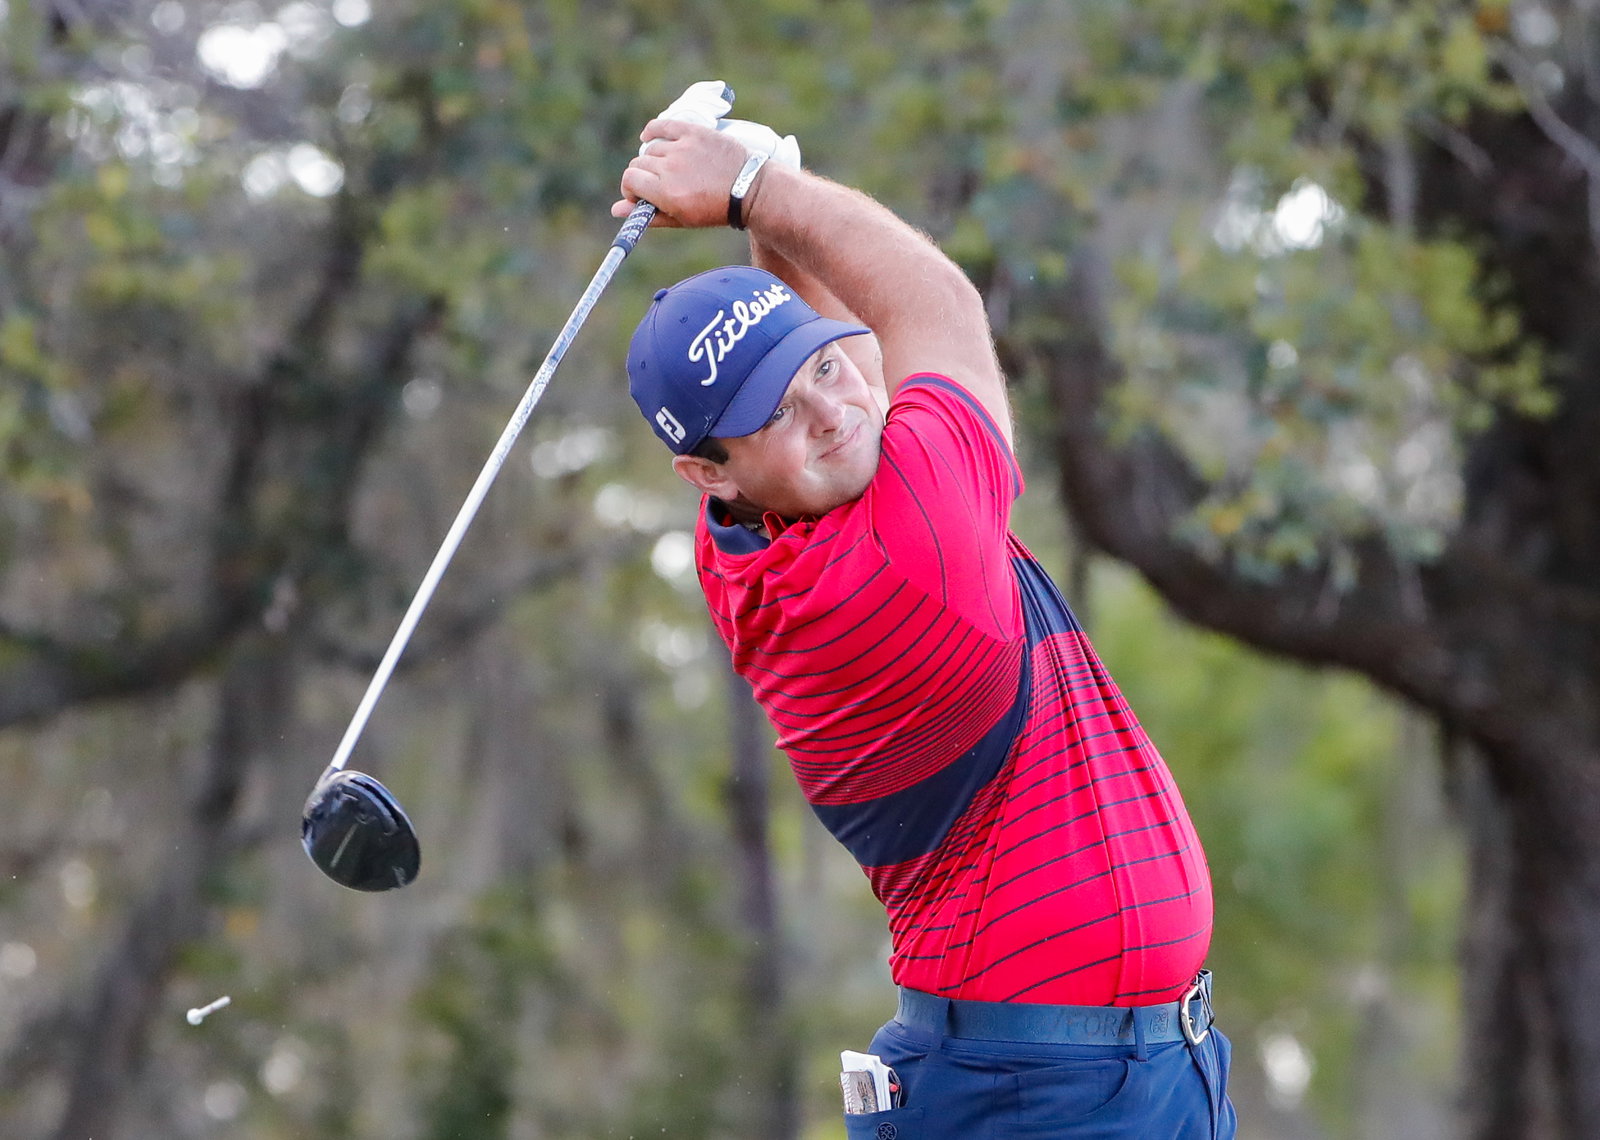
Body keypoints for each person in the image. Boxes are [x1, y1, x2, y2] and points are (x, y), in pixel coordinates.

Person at [614, 98, 1237, 1140]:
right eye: (774, 413)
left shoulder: (748, 542)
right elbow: (934, 307)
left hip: (1126, 1073)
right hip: (1034, 1097)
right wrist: (753, 187)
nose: (831, 406)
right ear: (705, 472)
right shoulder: (902, 567)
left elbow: (836, 355)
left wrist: (764, 194)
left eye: (816, 365)